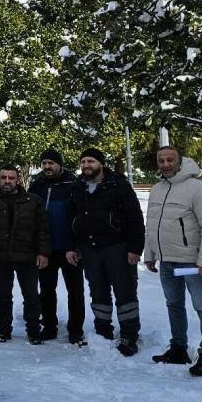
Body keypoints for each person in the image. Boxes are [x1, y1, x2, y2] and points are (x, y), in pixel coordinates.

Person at [144, 147, 202, 376]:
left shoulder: (198, 189)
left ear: (180, 162)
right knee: (174, 305)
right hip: (166, 260)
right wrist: (150, 254)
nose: (165, 164)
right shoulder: (157, 189)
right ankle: (179, 349)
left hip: (190, 261)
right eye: (161, 160)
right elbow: (152, 225)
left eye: (170, 160)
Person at [65, 147, 145, 357]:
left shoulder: (118, 184)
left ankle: (129, 334)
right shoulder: (78, 187)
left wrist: (135, 248)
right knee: (98, 291)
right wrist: (72, 246)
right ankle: (103, 330)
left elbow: (135, 218)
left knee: (125, 291)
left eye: (91, 161)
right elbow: (72, 219)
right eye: (83, 161)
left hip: (117, 247)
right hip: (89, 250)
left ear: (100, 163)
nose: (86, 165)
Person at [28, 149, 87, 345]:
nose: (47, 167)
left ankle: (76, 329)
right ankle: (50, 326)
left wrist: (77, 245)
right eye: (44, 163)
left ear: (59, 164)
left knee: (75, 291)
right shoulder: (37, 186)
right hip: (46, 249)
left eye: (51, 163)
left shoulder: (73, 184)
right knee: (46, 290)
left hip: (69, 248)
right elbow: (31, 218)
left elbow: (81, 216)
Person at [0, 165, 50, 344]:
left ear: (18, 180)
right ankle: (3, 330)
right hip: (1, 257)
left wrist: (43, 253)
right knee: (3, 296)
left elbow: (43, 230)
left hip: (27, 256)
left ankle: (34, 331)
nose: (7, 181)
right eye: (3, 177)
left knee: (31, 296)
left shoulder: (33, 200)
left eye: (11, 178)